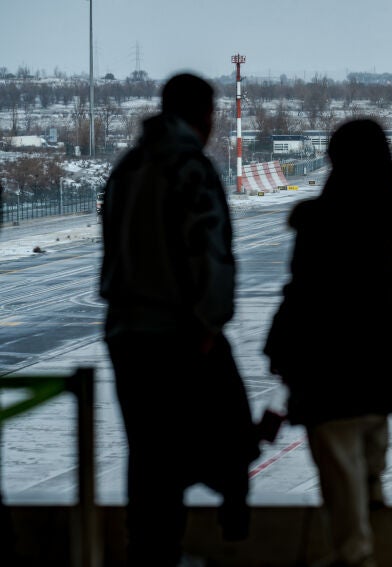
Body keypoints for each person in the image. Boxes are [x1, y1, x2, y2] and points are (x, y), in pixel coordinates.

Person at [99, 72, 259, 566]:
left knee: (148, 454)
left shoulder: (127, 166)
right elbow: (209, 253)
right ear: (206, 114)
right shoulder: (189, 166)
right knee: (227, 435)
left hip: (126, 332)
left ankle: (148, 551)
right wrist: (209, 326)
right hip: (178, 335)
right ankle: (226, 523)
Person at [264, 118, 392, 567]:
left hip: (329, 367)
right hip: (383, 363)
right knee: (367, 461)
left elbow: (301, 294)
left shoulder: (323, 223)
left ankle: (354, 554)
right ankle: (364, 540)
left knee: (339, 469)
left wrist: (280, 350)